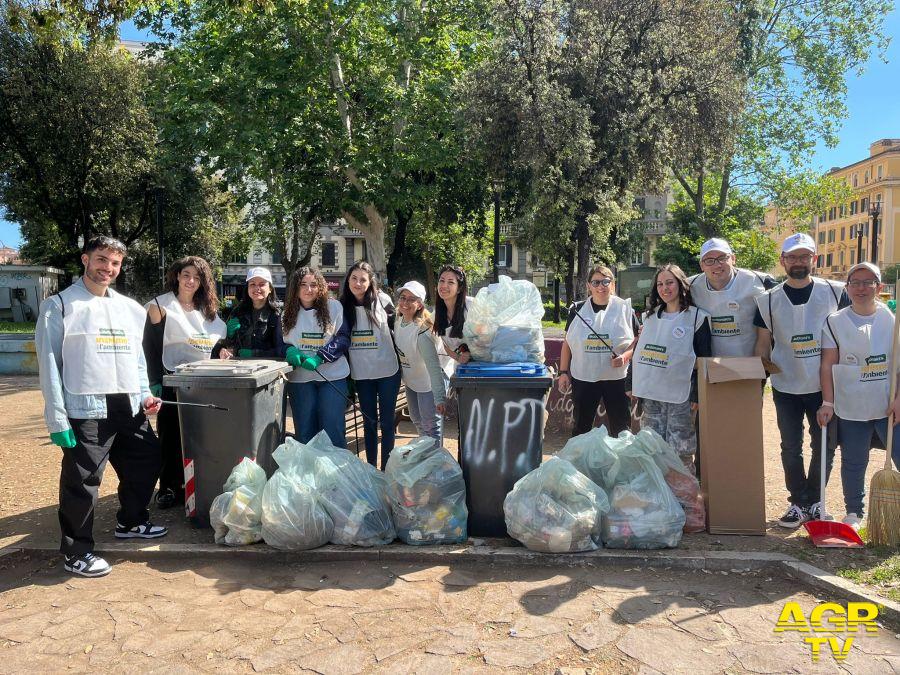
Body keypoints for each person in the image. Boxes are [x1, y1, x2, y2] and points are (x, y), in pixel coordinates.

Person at [35, 236, 168, 578]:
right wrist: (57, 419)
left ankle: (132, 520)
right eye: (101, 259)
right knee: (83, 481)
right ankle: (77, 551)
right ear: (85, 259)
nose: (107, 268)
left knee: (146, 458)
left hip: (127, 405)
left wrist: (144, 394)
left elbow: (136, 359)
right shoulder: (59, 306)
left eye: (115, 263)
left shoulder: (129, 308)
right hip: (85, 407)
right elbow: (50, 364)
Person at [754, 232, 849, 528]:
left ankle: (816, 499)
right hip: (786, 386)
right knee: (790, 446)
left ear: (814, 259)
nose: (798, 262)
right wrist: (759, 379)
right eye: (793, 257)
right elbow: (762, 345)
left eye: (804, 256)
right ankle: (798, 502)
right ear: (783, 261)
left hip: (825, 386)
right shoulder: (768, 301)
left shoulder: (835, 292)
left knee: (824, 445)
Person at [817, 262, 900, 530]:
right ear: (847, 287)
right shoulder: (834, 321)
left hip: (888, 404)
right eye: (855, 282)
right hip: (850, 403)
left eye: (868, 282)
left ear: (879, 287)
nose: (861, 288)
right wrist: (828, 403)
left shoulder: (893, 321)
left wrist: (899, 398)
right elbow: (828, 363)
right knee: (853, 459)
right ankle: (854, 511)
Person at [143, 256, 226, 509]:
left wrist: (223, 351)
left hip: (201, 381)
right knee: (170, 435)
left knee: (198, 434)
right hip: (171, 380)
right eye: (186, 275)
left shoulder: (207, 311)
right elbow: (149, 345)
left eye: (197, 277)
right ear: (177, 276)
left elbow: (213, 346)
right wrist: (154, 379)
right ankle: (168, 487)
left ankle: (197, 482)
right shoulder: (160, 306)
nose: (191, 281)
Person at [630, 264, 711, 473]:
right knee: (653, 446)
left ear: (680, 284)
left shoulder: (697, 317)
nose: (665, 288)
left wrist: (696, 394)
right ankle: (659, 496)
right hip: (652, 394)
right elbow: (641, 352)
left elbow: (703, 359)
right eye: (660, 284)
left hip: (680, 396)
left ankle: (684, 499)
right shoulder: (649, 317)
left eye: (669, 282)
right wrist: (630, 382)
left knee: (680, 448)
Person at [558, 265, 639, 437]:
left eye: (605, 281)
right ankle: (579, 461)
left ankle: (623, 461)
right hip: (584, 378)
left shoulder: (625, 309)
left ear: (613, 284)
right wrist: (563, 372)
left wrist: (625, 356)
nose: (601, 286)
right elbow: (567, 343)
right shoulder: (577, 311)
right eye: (595, 282)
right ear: (588, 285)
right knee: (581, 427)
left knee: (621, 427)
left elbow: (638, 341)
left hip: (617, 379)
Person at [340, 261, 401, 469]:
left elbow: (398, 330)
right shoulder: (341, 306)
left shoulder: (383, 301)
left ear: (370, 281)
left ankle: (387, 469)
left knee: (386, 423)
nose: (358, 283)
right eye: (354, 279)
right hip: (361, 373)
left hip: (387, 371)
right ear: (348, 281)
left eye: (363, 279)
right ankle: (371, 468)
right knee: (369, 423)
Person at [282, 266, 350, 447]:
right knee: (305, 432)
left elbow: (343, 338)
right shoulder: (286, 312)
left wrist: (321, 357)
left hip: (332, 376)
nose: (308, 289)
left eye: (313, 285)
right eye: (303, 284)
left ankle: (335, 474)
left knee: (332, 428)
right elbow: (282, 342)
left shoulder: (334, 307)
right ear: (295, 287)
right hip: (300, 379)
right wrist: (289, 350)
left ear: (321, 287)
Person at [688, 238, 777, 356]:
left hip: (751, 364)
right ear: (701, 265)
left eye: (722, 258)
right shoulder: (689, 286)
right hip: (711, 365)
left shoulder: (761, 282)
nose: (717, 265)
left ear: (733, 259)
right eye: (709, 260)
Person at [394, 281, 447, 442]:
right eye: (403, 297)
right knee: (417, 422)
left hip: (428, 386)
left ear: (419, 304)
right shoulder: (398, 322)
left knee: (431, 427)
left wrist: (439, 398)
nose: (405, 303)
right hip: (412, 383)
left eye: (411, 299)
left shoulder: (422, 331)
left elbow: (434, 367)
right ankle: (426, 460)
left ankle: (435, 464)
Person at [211, 267, 285, 360]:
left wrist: (255, 354)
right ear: (247, 288)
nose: (257, 288)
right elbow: (218, 345)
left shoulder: (277, 315)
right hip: (239, 368)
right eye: (252, 284)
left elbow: (281, 350)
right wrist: (227, 335)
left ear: (270, 288)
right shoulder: (237, 312)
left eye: (262, 284)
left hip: (266, 369)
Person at [433, 265, 475, 377]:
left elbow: (487, 336)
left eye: (450, 282)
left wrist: (470, 353)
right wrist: (458, 357)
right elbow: (442, 344)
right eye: (441, 281)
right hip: (461, 370)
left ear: (459, 288)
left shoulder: (472, 306)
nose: (444, 285)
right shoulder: (436, 314)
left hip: (483, 367)